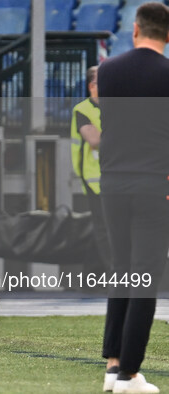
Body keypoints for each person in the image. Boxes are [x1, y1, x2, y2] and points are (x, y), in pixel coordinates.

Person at [97, 3, 169, 393]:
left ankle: (112, 365)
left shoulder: (108, 71)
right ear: (168, 35)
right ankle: (129, 374)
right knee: (145, 276)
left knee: (122, 270)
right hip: (154, 183)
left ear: (136, 29)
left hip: (113, 182)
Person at [70, 65, 112, 277]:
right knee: (104, 227)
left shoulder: (115, 107)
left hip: (114, 175)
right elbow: (94, 140)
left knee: (110, 226)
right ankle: (114, 274)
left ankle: (91, 274)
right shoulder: (82, 110)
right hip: (94, 178)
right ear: (91, 86)